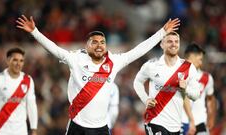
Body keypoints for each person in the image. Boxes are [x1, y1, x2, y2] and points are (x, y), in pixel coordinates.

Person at [16, 15, 180, 135]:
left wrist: (162, 32)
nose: (99, 45)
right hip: (77, 126)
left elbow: (138, 50)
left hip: (101, 128)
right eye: (94, 42)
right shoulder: (76, 59)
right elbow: (55, 49)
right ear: (87, 45)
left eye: (102, 42)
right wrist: (35, 32)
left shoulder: (114, 62)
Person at [133, 32, 200, 135]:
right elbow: (137, 82)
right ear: (162, 44)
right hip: (154, 120)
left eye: (176, 41)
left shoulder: (188, 68)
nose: (173, 44)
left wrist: (185, 89)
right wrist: (145, 99)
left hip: (176, 125)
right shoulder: (152, 65)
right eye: (169, 41)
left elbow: (196, 95)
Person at [0, 48, 38, 135]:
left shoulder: (28, 80)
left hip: (21, 131)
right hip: (0, 131)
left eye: (21, 61)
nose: (18, 64)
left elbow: (31, 105)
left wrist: (34, 128)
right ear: (8, 61)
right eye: (15, 60)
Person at [181, 43, 216, 135]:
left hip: (200, 122)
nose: (201, 57)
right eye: (198, 54)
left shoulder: (207, 77)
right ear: (190, 56)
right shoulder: (178, 74)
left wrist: (211, 116)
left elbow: (210, 98)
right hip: (181, 122)